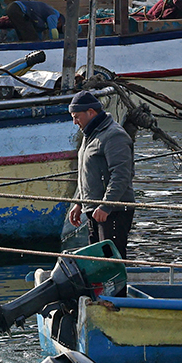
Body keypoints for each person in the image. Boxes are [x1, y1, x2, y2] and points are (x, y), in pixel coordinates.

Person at [67, 90, 134, 256]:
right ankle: (99, 284)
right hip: (94, 209)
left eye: (77, 117)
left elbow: (121, 174)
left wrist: (106, 205)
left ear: (91, 112)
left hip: (113, 211)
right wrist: (79, 203)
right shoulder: (90, 134)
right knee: (97, 259)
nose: (74, 122)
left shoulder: (114, 135)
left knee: (111, 258)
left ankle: (117, 284)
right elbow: (88, 172)